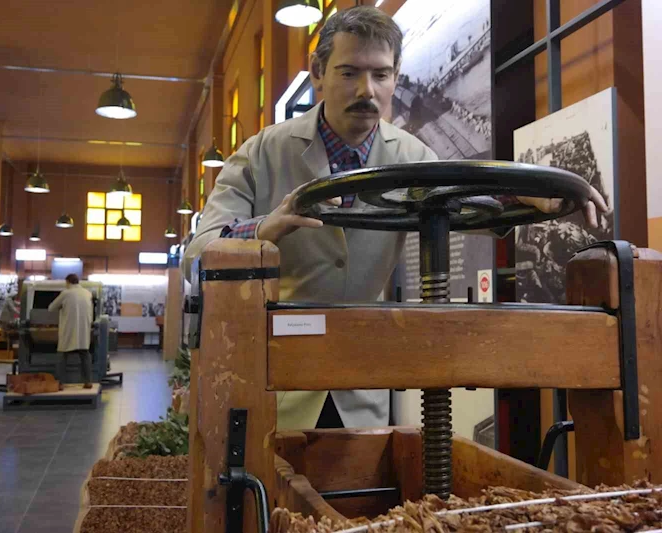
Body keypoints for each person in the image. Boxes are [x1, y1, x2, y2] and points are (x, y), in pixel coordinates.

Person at [184, 6, 607, 430]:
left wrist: (527, 195)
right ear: (318, 72)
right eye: (349, 73)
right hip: (272, 381)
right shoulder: (261, 154)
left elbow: (460, 205)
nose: (366, 90)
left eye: (381, 75)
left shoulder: (412, 155)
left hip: (361, 384)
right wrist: (265, 229)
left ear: (395, 77)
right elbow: (199, 254)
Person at [48, 274, 94, 389]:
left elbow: (51, 308)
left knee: (62, 355)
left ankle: (60, 383)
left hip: (69, 329)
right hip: (83, 329)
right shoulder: (87, 293)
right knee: (85, 354)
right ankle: (88, 381)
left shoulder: (66, 293)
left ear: (68, 282)